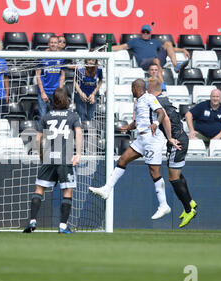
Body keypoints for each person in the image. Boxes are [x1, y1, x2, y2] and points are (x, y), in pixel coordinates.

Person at [89, 79, 180, 220]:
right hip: (141, 139)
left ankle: (164, 205)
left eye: (132, 88)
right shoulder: (138, 102)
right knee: (122, 159)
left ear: (136, 88)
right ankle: (107, 189)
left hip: (152, 139)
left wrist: (156, 123)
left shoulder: (150, 98)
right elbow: (138, 122)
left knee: (154, 171)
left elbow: (161, 113)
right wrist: (127, 127)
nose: (131, 91)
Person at [23, 87, 83, 234]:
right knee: (67, 191)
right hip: (65, 159)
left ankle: (32, 221)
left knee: (39, 189)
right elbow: (79, 133)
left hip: (49, 158)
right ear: (66, 99)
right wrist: (79, 153)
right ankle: (62, 226)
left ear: (53, 100)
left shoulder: (46, 116)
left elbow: (38, 138)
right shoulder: (73, 116)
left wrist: (41, 156)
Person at [147, 77, 198, 228]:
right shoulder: (163, 98)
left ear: (150, 89)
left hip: (177, 141)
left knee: (173, 178)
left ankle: (189, 210)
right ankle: (190, 202)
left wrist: (170, 138)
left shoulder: (157, 102)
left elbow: (166, 119)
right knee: (177, 174)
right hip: (179, 138)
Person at [112, 24, 189, 75]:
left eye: (147, 32)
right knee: (156, 61)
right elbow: (121, 47)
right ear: (141, 33)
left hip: (157, 60)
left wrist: (182, 50)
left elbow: (170, 49)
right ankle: (163, 86)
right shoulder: (135, 41)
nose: (145, 33)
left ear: (150, 33)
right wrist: (107, 49)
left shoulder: (154, 42)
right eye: (143, 32)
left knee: (168, 43)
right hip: (144, 63)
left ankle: (176, 66)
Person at [36, 35, 65, 121]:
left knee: (56, 117)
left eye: (55, 42)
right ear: (48, 44)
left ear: (58, 44)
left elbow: (62, 75)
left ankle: (54, 134)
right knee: (43, 117)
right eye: (51, 42)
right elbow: (38, 76)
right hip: (44, 92)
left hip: (56, 93)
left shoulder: (62, 57)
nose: (53, 44)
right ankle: (43, 134)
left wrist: (60, 91)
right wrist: (42, 92)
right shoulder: (42, 57)